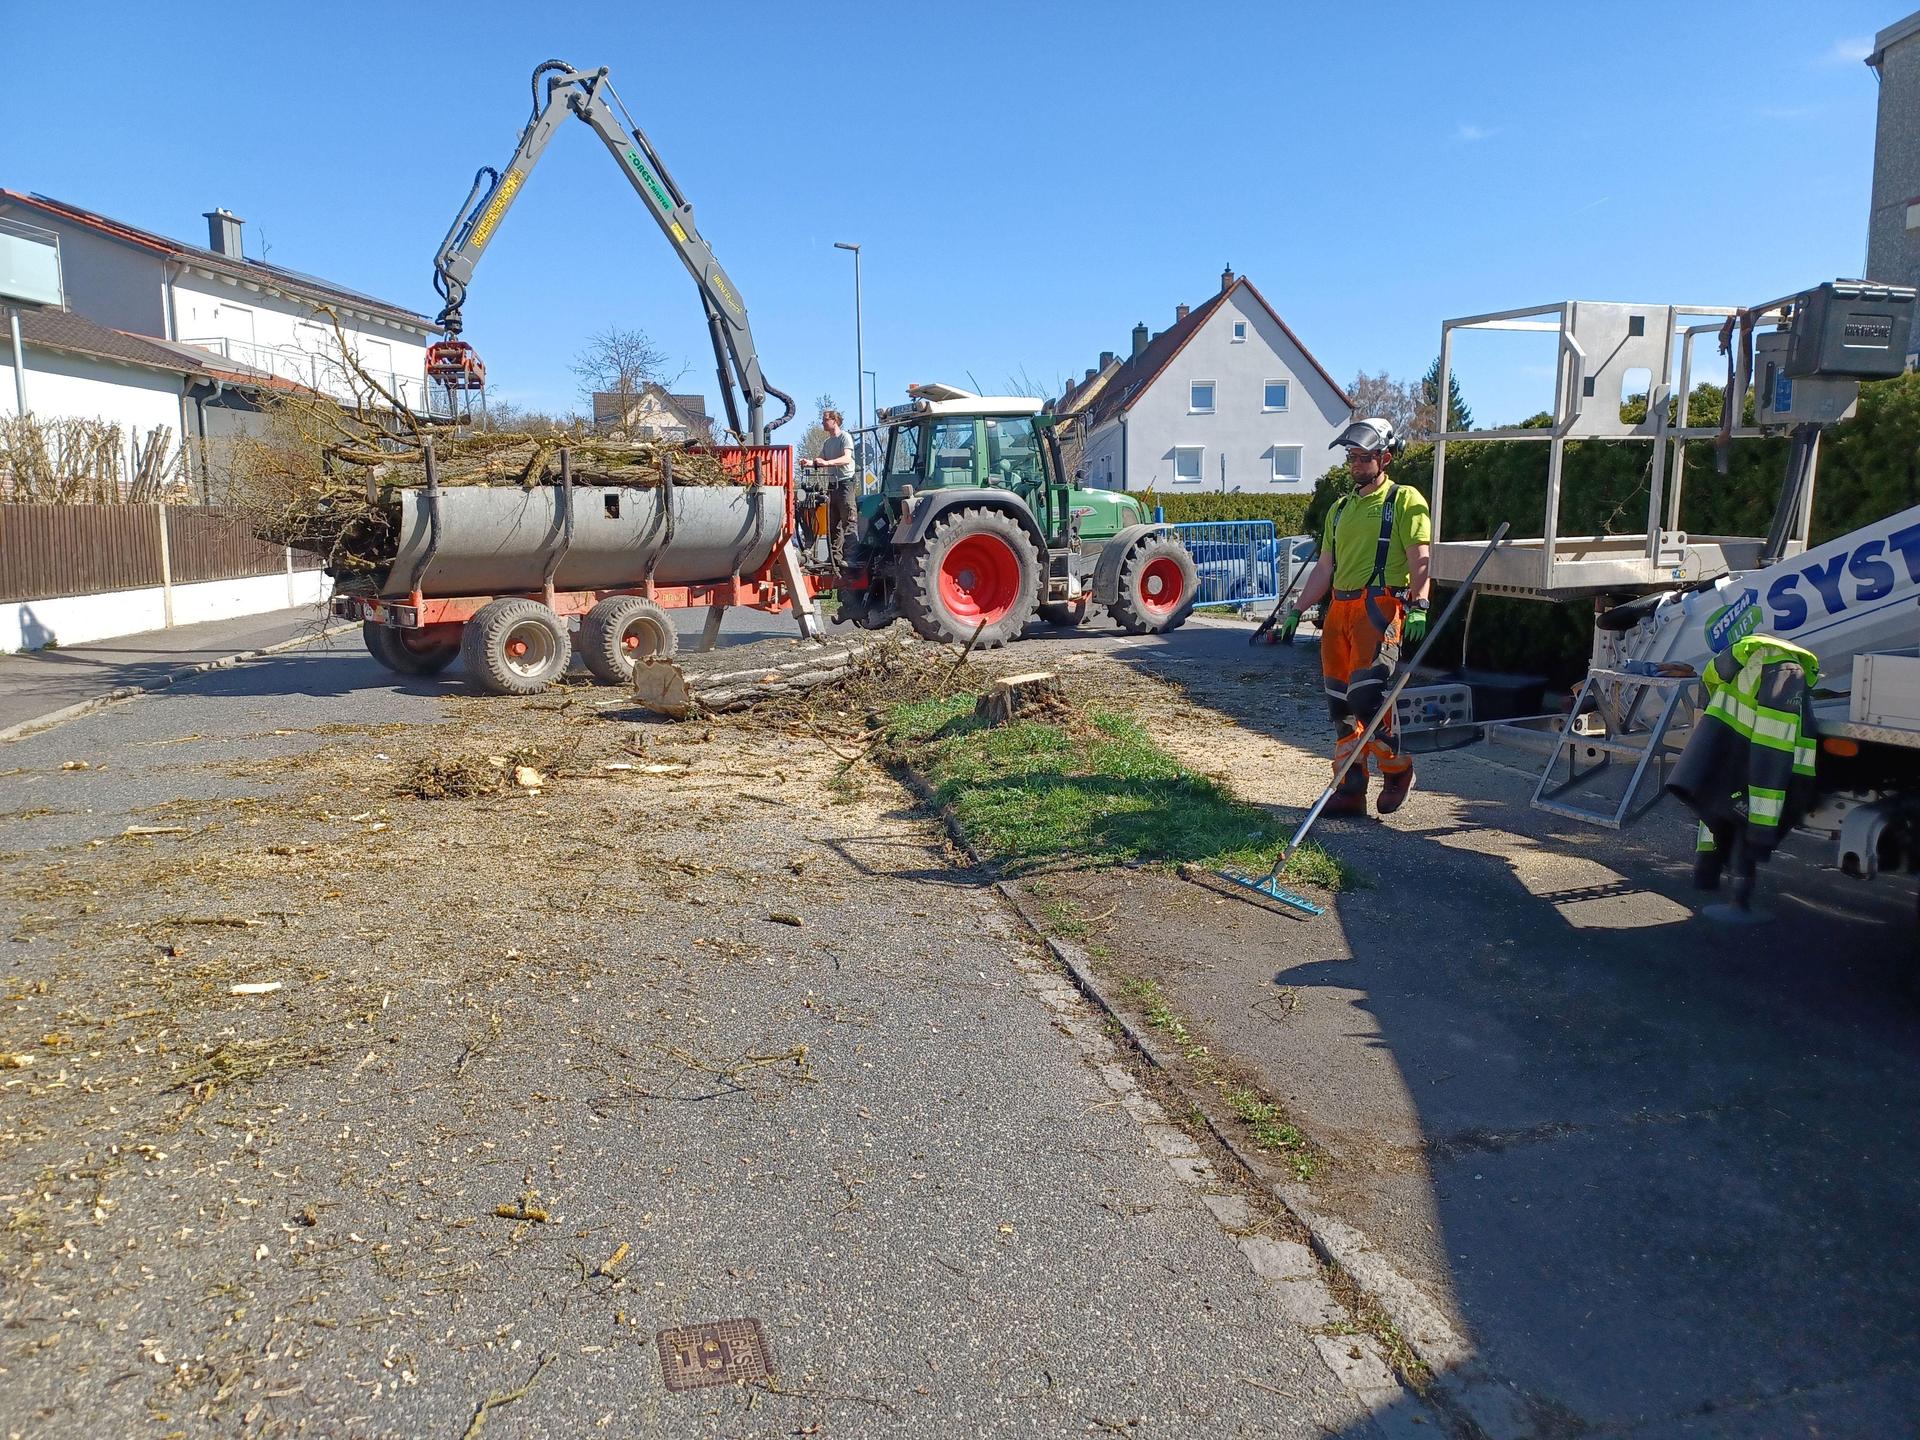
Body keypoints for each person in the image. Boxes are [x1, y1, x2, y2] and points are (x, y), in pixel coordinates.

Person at [1278, 418, 1432, 816]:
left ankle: (1398, 769)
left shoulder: (1404, 500)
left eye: (1365, 458)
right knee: (1340, 708)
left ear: (1386, 458)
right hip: (1338, 612)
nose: (1357, 465)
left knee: (1368, 699)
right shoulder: (1341, 507)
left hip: (1378, 609)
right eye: (1352, 457)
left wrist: (1420, 603)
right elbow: (1325, 568)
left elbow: (1419, 559)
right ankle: (1350, 787)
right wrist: (1296, 609)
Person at [812, 409, 856, 482]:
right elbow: (820, 461)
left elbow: (847, 459)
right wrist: (808, 462)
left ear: (834, 421)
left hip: (846, 481)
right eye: (822, 420)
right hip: (832, 482)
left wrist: (827, 463)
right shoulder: (827, 442)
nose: (822, 423)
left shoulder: (845, 436)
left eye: (825, 420)